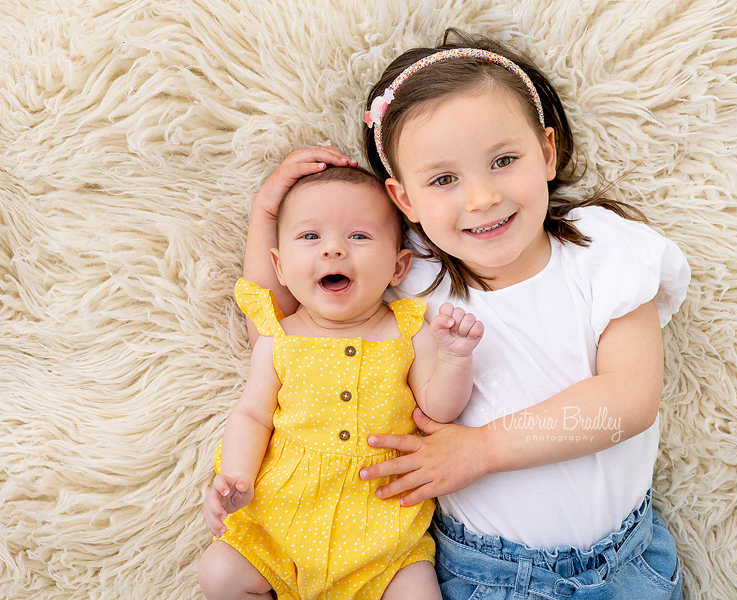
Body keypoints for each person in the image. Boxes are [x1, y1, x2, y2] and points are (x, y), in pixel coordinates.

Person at [243, 29, 691, 599]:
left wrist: (482, 450)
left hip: (626, 568)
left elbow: (629, 400)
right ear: (405, 200)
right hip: (484, 574)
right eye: (444, 180)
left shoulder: (600, 250)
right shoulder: (412, 275)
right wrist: (265, 212)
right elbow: (281, 319)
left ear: (547, 153)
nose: (480, 198)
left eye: (504, 160)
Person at [199, 166, 484, 600]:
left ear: (397, 266)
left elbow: (439, 408)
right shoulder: (279, 338)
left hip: (382, 533)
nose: (333, 249)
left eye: (359, 237)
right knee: (219, 571)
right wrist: (235, 480)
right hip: (280, 528)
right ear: (281, 266)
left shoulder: (408, 330)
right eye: (310, 237)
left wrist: (455, 357)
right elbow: (253, 415)